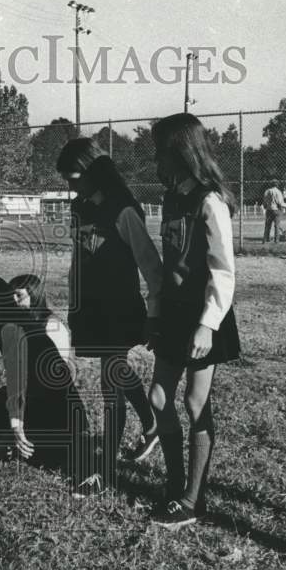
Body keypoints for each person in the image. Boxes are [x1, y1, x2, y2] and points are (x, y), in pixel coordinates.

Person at [146, 114, 241, 529]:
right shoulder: (171, 199)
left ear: (181, 151)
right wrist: (154, 314)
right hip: (172, 313)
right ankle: (174, 483)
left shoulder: (209, 200)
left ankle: (193, 498)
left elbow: (223, 269)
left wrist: (207, 324)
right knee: (158, 399)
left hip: (203, 316)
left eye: (160, 150)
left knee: (194, 402)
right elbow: (167, 267)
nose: (155, 159)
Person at [56, 139, 162, 485]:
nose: (71, 186)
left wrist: (154, 313)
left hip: (118, 307)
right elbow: (78, 260)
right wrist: (74, 303)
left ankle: (108, 468)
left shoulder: (123, 208)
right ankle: (151, 425)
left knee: (110, 380)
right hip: (91, 308)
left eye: (75, 178)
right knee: (115, 371)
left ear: (94, 170)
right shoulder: (78, 208)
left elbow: (150, 264)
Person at [0, 274, 99, 495]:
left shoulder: (11, 329)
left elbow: (17, 382)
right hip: (57, 411)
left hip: (54, 418)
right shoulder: (21, 321)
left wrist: (17, 426)